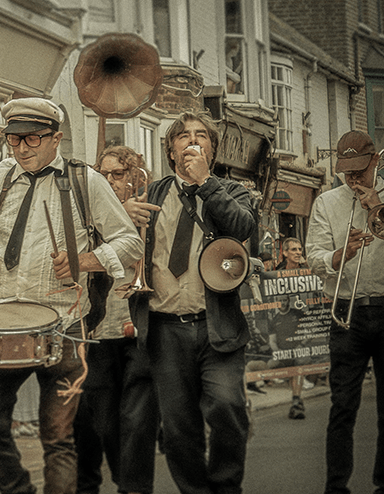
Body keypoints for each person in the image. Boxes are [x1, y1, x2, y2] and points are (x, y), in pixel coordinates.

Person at [0, 97, 143, 494]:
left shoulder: (84, 181)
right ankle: (18, 488)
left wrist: (89, 259)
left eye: (32, 139)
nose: (22, 148)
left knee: (58, 438)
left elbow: (129, 241)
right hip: (2, 323)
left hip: (64, 326)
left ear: (56, 139)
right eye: (13, 140)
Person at [126, 111, 256, 494]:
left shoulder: (232, 191)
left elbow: (243, 228)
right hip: (165, 328)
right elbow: (118, 245)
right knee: (179, 429)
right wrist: (123, 216)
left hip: (218, 326)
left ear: (212, 149)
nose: (193, 142)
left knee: (228, 408)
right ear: (170, 149)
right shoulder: (150, 195)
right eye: (183, 136)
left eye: (201, 136)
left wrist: (205, 183)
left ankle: (226, 485)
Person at [305, 130, 384, 494]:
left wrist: (377, 210)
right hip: (346, 311)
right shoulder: (326, 203)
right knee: (342, 406)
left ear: (375, 161)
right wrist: (341, 255)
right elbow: (314, 257)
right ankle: (336, 487)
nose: (353, 178)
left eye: (359, 169)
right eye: (346, 171)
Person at [74, 146, 158, 494]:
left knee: (137, 421)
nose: (110, 181)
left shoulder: (149, 210)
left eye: (118, 175)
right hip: (100, 329)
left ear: (134, 180)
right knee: (103, 420)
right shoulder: (88, 212)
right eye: (104, 174)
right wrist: (120, 213)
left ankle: (132, 487)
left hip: (140, 327)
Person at [271, 236, 313, 420]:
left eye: (299, 249)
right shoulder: (275, 274)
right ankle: (295, 397)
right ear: (285, 253)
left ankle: (296, 399)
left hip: (302, 323)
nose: (298, 253)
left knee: (299, 363)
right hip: (283, 326)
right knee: (290, 365)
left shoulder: (308, 272)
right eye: (294, 250)